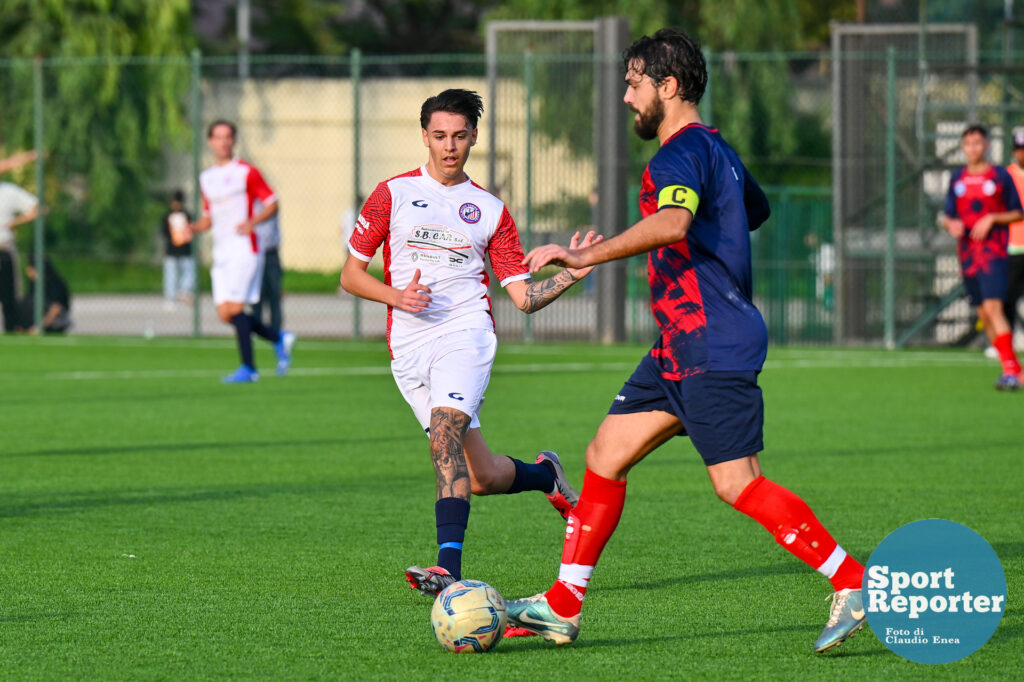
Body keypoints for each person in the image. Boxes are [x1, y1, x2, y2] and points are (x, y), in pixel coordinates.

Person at [506, 28, 868, 654]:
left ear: (667, 88)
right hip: (679, 344)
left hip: (710, 341)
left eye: (634, 84)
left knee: (737, 483)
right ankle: (563, 605)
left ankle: (854, 581)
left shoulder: (676, 155)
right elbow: (753, 210)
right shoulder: (715, 150)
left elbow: (673, 220)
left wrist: (584, 253)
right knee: (603, 455)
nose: (626, 97)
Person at [339, 89, 600, 598]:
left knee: (444, 434)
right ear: (424, 137)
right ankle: (545, 476)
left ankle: (448, 570)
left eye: (459, 135)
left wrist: (572, 275)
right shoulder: (390, 194)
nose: (449, 146)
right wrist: (396, 295)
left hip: (467, 335)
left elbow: (522, 297)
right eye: (439, 135)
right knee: (480, 476)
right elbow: (351, 275)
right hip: (408, 349)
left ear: (474, 137)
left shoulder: (490, 210)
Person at [189, 120, 295, 382]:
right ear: (210, 141)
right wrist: (190, 230)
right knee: (226, 313)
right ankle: (278, 337)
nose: (223, 142)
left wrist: (253, 223)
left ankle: (249, 368)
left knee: (235, 308)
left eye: (228, 137)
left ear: (233, 141)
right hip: (222, 251)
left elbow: (272, 203)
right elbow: (208, 217)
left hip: (245, 249)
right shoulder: (207, 178)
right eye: (218, 137)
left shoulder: (246, 172)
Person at [941, 125, 1023, 390]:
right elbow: (947, 214)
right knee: (983, 314)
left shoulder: (999, 176)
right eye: (968, 144)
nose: (973, 149)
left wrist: (992, 218)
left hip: (995, 253)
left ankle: (1010, 370)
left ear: (986, 145)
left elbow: (1017, 212)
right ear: (963, 147)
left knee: (993, 308)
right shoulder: (957, 178)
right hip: (968, 255)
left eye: (977, 143)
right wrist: (949, 224)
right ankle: (1012, 369)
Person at [0, 174, 39, 333]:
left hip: (3, 249)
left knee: (9, 298)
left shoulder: (9, 191)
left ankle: (11, 330)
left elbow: (36, 208)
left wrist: (14, 223)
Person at [251, 198, 283, 334]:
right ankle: (256, 328)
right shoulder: (250, 202)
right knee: (256, 295)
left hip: (270, 253)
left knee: (274, 293)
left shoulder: (271, 203)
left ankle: (276, 330)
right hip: (255, 253)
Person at [16, 255, 71, 334]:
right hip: (41, 318)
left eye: (31, 268)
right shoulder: (34, 283)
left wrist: (39, 328)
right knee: (24, 302)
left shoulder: (54, 282)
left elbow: (56, 309)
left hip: (57, 319)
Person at [1004, 132, 1024, 342]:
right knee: (1007, 296)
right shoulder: (1006, 176)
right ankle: (1006, 340)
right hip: (1013, 247)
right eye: (1020, 149)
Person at [160, 189, 195, 306]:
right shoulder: (167, 216)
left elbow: (192, 232)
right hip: (171, 250)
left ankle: (184, 291)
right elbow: (164, 233)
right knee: (170, 275)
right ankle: (170, 298)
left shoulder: (187, 215)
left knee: (189, 272)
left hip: (185, 250)